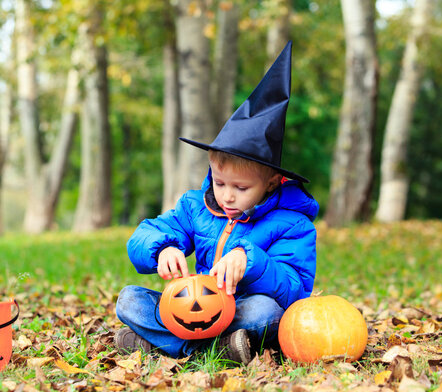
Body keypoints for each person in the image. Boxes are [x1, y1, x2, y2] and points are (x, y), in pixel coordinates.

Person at [115, 41, 319, 364]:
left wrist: (250, 260)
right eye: (220, 182)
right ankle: (217, 349)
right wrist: (162, 248)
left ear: (271, 181)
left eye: (240, 187)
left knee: (267, 314)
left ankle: (167, 344)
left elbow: (294, 290)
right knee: (129, 300)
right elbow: (143, 235)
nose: (227, 195)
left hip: (242, 309)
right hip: (193, 304)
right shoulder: (195, 207)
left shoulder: (294, 224)